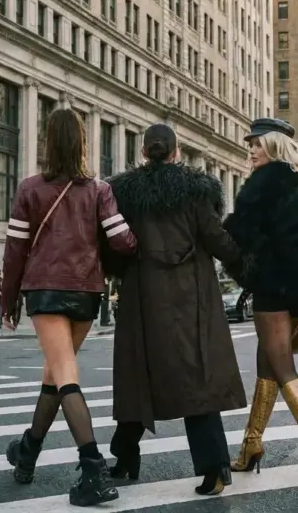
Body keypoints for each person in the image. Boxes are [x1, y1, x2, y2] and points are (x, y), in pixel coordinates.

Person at [0, 108, 137, 507]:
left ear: (47, 144)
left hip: (44, 290)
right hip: (85, 292)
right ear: (82, 143)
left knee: (63, 374)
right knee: (55, 375)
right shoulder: (98, 190)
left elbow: (14, 252)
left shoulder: (29, 189)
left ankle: (93, 467)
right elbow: (123, 242)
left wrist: (8, 300)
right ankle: (27, 453)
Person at [106, 123, 246, 496]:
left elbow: (114, 245)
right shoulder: (196, 192)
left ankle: (123, 459)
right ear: (176, 152)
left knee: (139, 376)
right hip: (191, 298)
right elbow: (218, 240)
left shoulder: (124, 194)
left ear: (142, 153)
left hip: (141, 297)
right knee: (195, 379)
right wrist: (249, 267)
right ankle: (214, 467)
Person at [222, 118, 298, 492]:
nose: (251, 151)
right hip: (295, 290)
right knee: (266, 366)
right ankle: (250, 446)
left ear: (274, 146)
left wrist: (241, 258)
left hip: (271, 288)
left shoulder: (263, 184)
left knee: (282, 367)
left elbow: (239, 233)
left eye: (257, 144)